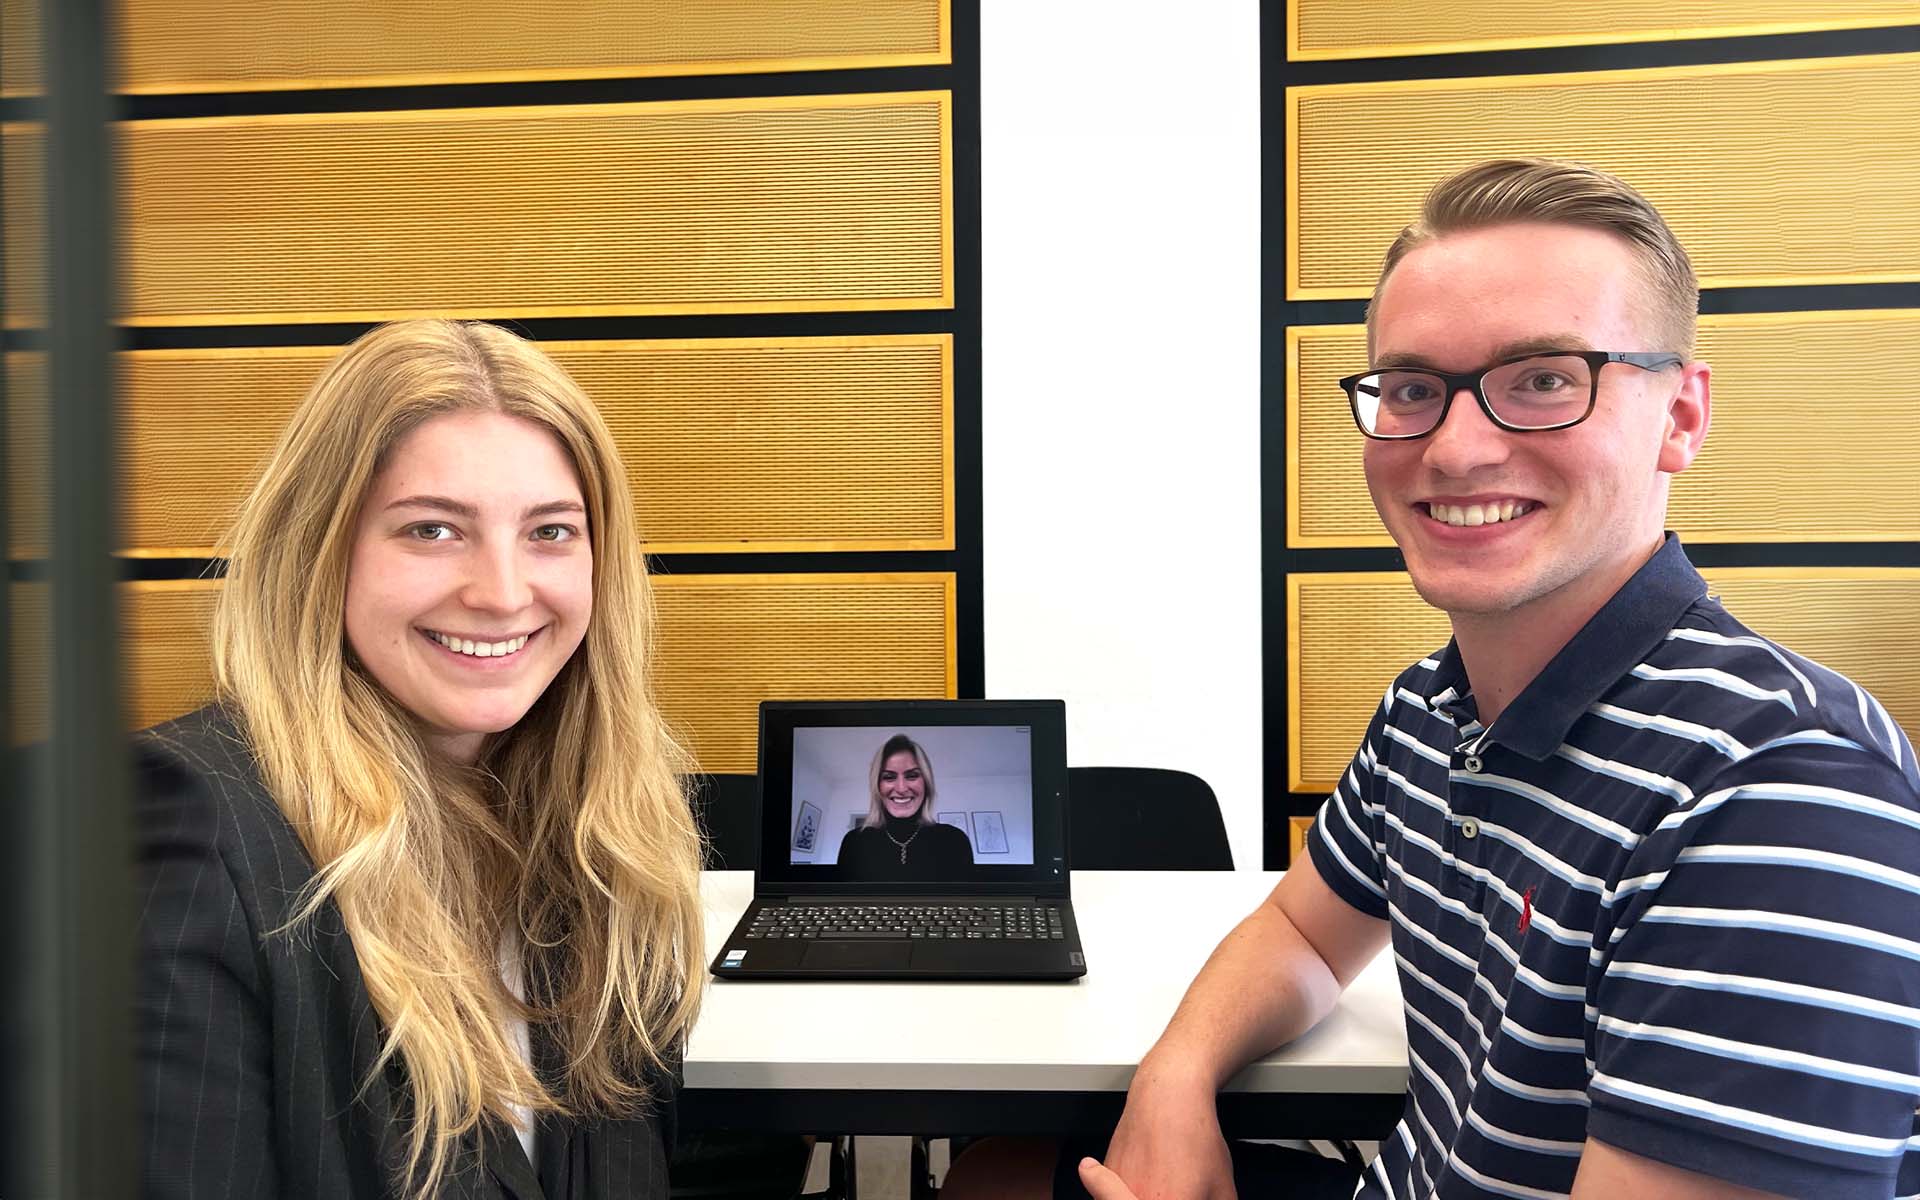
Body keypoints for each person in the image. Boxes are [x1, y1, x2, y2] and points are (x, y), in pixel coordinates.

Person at [945, 158, 1920, 1200]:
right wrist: (1175, 1079)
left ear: (1680, 416)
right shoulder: (1429, 707)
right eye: (1412, 390)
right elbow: (1301, 935)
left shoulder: (1780, 800)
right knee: (994, 1177)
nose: (1455, 450)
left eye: (1544, 379)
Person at [136, 320, 704, 1199]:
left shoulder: (587, 827)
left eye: (550, 533)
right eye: (434, 530)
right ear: (319, 550)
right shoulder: (188, 825)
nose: (503, 593)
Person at [834, 733, 974, 879]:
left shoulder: (954, 841)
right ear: (877, 786)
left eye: (912, 775)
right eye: (889, 777)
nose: (901, 789)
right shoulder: (854, 842)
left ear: (926, 782)